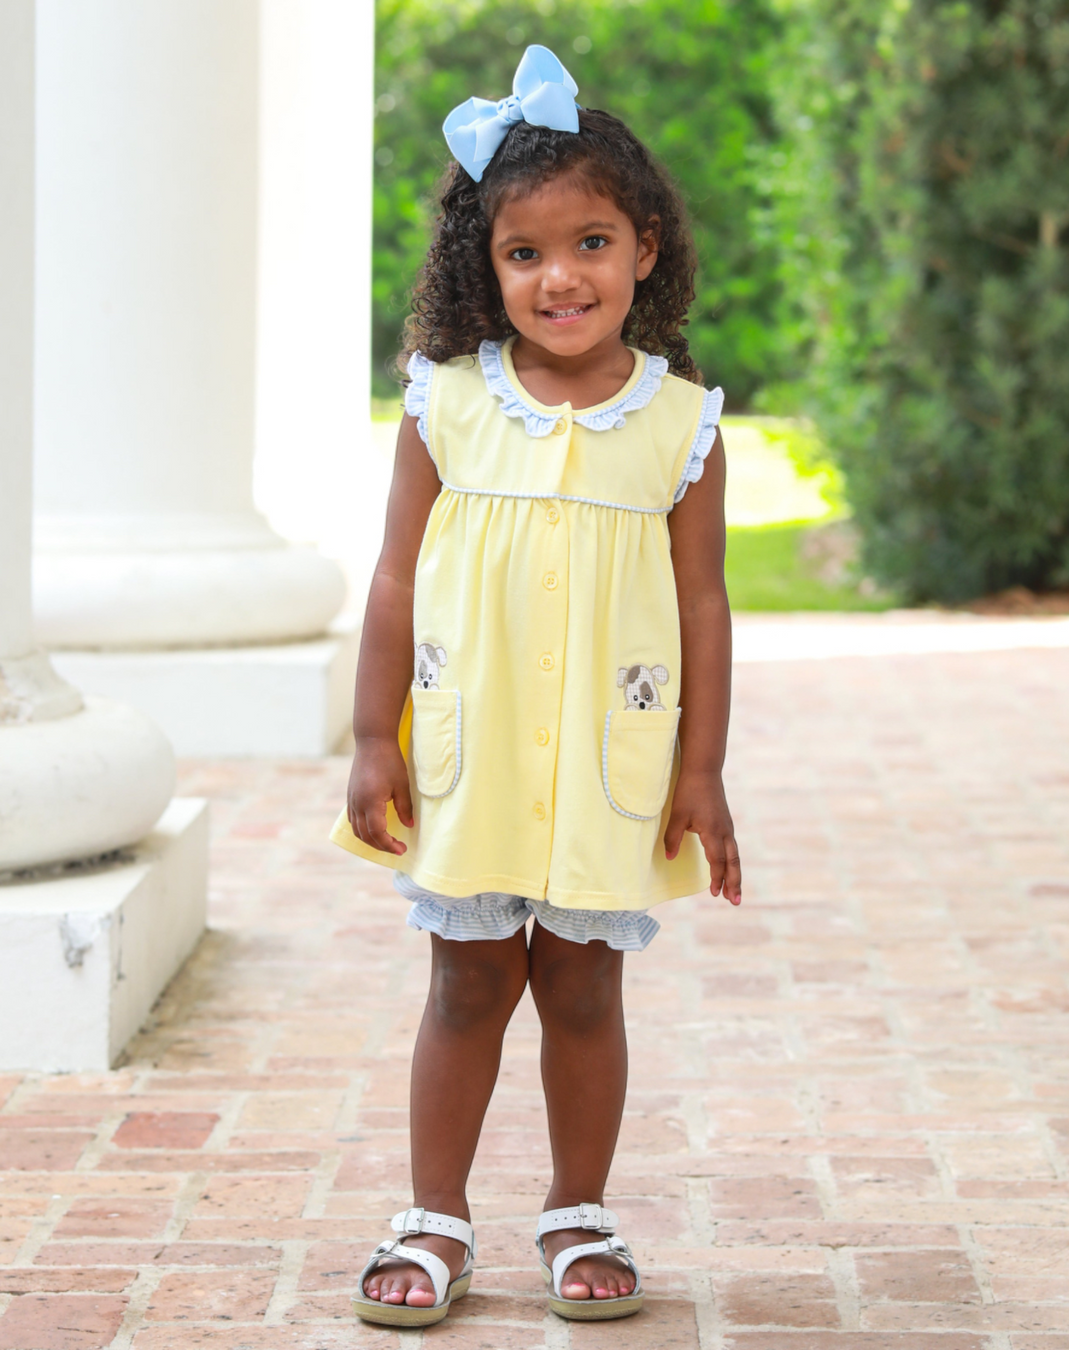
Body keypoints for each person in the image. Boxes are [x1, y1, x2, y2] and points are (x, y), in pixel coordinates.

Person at [331, 44, 741, 1328]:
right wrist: (370, 737)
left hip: (609, 760)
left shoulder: (681, 426)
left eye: (592, 242)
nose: (560, 276)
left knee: (582, 985)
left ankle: (579, 1212)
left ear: (647, 249)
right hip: (475, 749)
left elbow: (705, 603)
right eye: (525, 253)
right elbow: (396, 579)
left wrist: (703, 768)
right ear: (485, 266)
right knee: (465, 983)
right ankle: (433, 1217)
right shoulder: (445, 403)